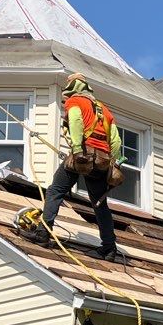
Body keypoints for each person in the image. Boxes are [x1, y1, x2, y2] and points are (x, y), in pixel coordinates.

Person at [23, 74, 125, 259]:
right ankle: (109, 248)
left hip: (83, 156)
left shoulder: (75, 101)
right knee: (100, 205)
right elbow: (116, 141)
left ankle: (43, 234)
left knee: (55, 191)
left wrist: (78, 149)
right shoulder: (104, 110)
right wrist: (114, 162)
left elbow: (76, 121)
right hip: (102, 161)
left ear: (72, 87)